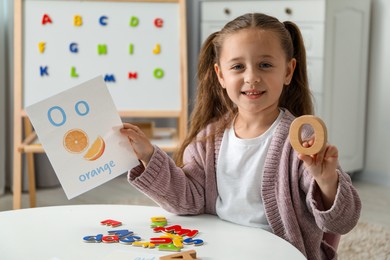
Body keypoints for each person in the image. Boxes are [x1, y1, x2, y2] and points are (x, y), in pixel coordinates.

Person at [120, 13, 361, 259]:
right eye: (237, 67)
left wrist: (327, 181)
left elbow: (341, 222)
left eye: (265, 65)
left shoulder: (301, 138)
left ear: (288, 71)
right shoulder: (208, 140)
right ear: (221, 75)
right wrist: (149, 156)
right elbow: (187, 200)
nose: (251, 77)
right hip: (222, 249)